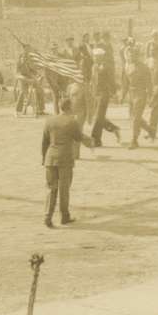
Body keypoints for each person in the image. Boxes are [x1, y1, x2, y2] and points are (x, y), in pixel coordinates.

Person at [41, 97, 90, 228]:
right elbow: (79, 137)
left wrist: (43, 159)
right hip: (65, 159)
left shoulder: (49, 121)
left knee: (51, 189)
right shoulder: (72, 122)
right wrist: (90, 141)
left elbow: (45, 142)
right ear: (69, 107)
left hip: (50, 159)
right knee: (64, 189)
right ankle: (64, 216)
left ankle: (47, 217)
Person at [124, 47, 154, 149]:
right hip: (131, 94)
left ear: (138, 55)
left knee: (136, 118)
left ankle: (134, 140)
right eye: (129, 55)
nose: (131, 56)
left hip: (141, 94)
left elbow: (149, 84)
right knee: (134, 117)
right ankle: (150, 130)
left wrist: (150, 97)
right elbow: (126, 82)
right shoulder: (128, 66)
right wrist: (123, 95)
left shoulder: (144, 67)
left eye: (133, 55)